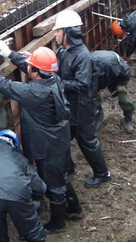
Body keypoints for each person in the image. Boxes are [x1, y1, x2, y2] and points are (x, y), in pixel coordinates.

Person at [0, 43, 82, 233]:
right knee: (60, 175)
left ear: (35, 72)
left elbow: (4, 85)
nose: (28, 66)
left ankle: (58, 222)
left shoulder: (34, 92)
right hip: (59, 138)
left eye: (30, 65)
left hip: (47, 145)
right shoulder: (54, 79)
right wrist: (11, 54)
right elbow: (33, 68)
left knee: (53, 184)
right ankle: (74, 208)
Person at [53, 10, 111, 188]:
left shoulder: (82, 56)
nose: (55, 35)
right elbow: (54, 68)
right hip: (70, 106)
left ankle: (102, 173)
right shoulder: (64, 52)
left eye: (57, 31)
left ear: (67, 33)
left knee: (87, 141)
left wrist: (58, 85)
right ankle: (67, 167)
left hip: (82, 107)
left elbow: (82, 84)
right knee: (62, 138)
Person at [91, 50, 134, 133]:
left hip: (116, 76)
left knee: (125, 101)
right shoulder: (87, 68)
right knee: (94, 100)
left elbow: (126, 72)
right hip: (97, 80)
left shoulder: (115, 65)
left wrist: (121, 85)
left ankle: (128, 119)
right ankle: (98, 118)